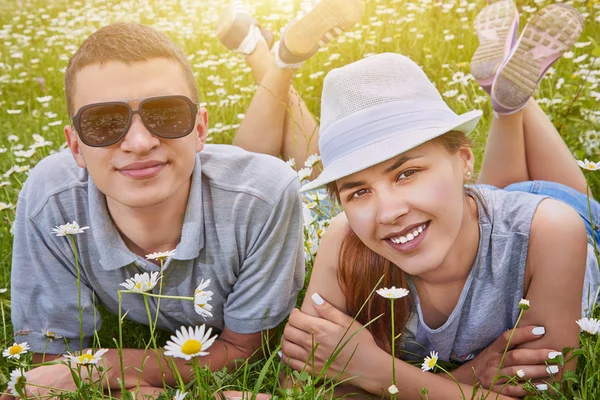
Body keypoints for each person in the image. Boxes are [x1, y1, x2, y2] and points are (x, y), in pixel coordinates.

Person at [278, 1, 600, 399]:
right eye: (359, 191)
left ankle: (511, 104)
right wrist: (466, 377)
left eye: (406, 173)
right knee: (476, 208)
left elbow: (546, 392)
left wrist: (377, 372)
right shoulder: (345, 240)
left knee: (561, 206)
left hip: (553, 213)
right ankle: (505, 99)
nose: (389, 212)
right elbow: (301, 385)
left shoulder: (553, 229)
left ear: (466, 158)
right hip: (467, 210)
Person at [5, 21, 309, 398]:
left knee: (319, 171)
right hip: (231, 186)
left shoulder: (269, 196)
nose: (139, 142)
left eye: (166, 114)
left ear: (199, 129)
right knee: (252, 167)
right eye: (104, 122)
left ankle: (276, 61)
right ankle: (261, 52)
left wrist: (107, 366)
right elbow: (51, 368)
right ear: (76, 147)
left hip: (296, 201)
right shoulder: (50, 200)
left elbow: (244, 349)